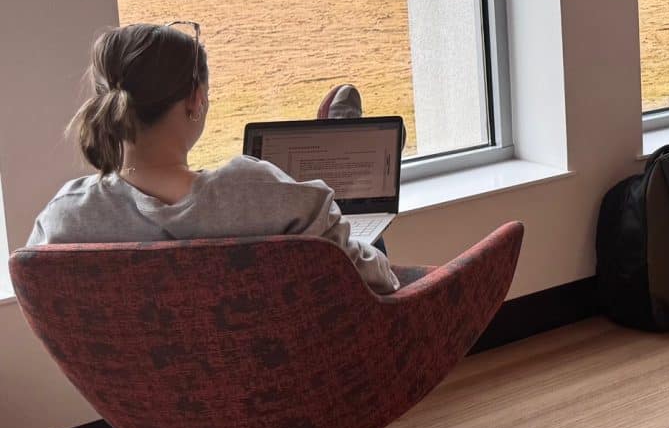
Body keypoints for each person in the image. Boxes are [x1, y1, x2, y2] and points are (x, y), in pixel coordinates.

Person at [27, 22, 402, 292]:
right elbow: (377, 279)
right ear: (196, 100)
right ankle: (346, 141)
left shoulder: (63, 218)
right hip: (303, 375)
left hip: (149, 395)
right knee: (362, 238)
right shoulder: (259, 189)